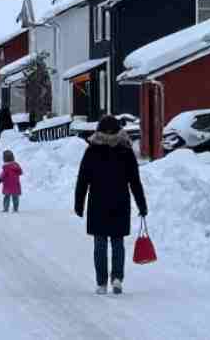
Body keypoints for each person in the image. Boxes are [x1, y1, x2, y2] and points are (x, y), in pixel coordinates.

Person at [74, 115, 148, 296]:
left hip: (97, 202)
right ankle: (117, 278)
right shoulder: (125, 151)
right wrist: (141, 204)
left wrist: (79, 203)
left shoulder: (92, 151)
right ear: (118, 130)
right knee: (117, 242)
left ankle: (101, 283)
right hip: (120, 202)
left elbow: (83, 179)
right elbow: (135, 181)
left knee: (100, 243)